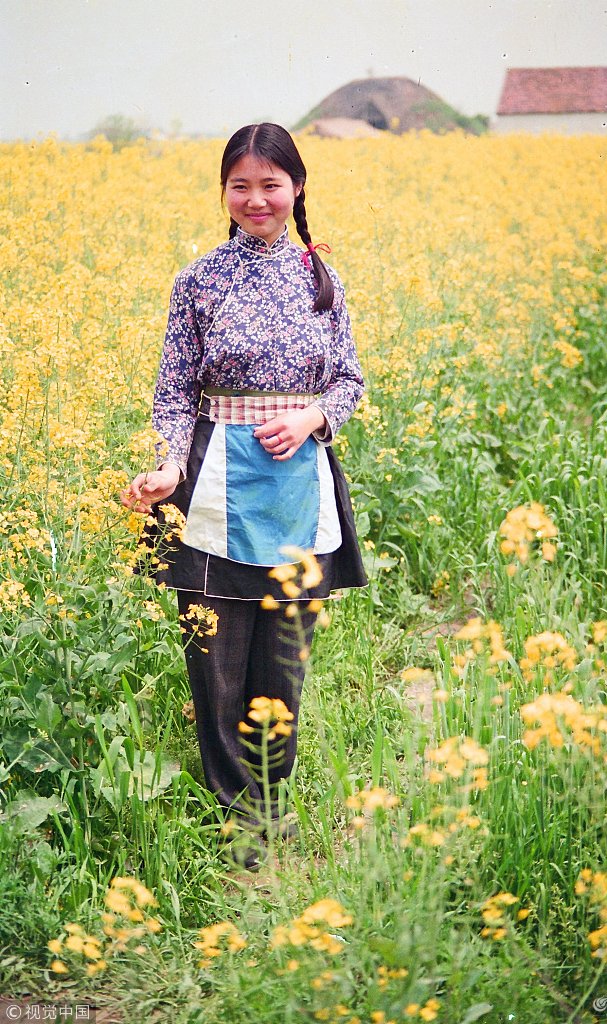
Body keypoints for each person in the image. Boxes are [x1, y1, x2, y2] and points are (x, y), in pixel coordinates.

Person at [121, 123, 367, 856]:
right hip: (213, 486)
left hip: (298, 487)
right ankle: (237, 814)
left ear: (296, 188)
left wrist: (314, 415)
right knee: (217, 670)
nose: (255, 199)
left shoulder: (320, 278)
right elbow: (173, 392)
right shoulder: (197, 281)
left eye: (270, 184)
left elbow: (349, 378)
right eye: (240, 185)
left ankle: (270, 795)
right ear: (223, 192)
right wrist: (168, 465)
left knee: (282, 667)